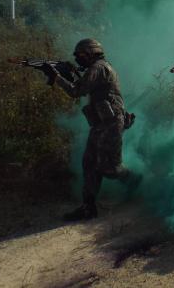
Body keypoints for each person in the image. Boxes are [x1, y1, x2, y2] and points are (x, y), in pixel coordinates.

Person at [50, 38, 141, 221]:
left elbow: (76, 91)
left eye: (81, 55)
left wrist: (57, 79)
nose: (78, 58)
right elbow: (84, 85)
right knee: (89, 163)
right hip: (101, 123)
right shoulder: (97, 68)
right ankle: (88, 208)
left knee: (110, 168)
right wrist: (69, 74)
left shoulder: (98, 67)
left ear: (91, 53)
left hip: (111, 123)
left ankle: (134, 180)